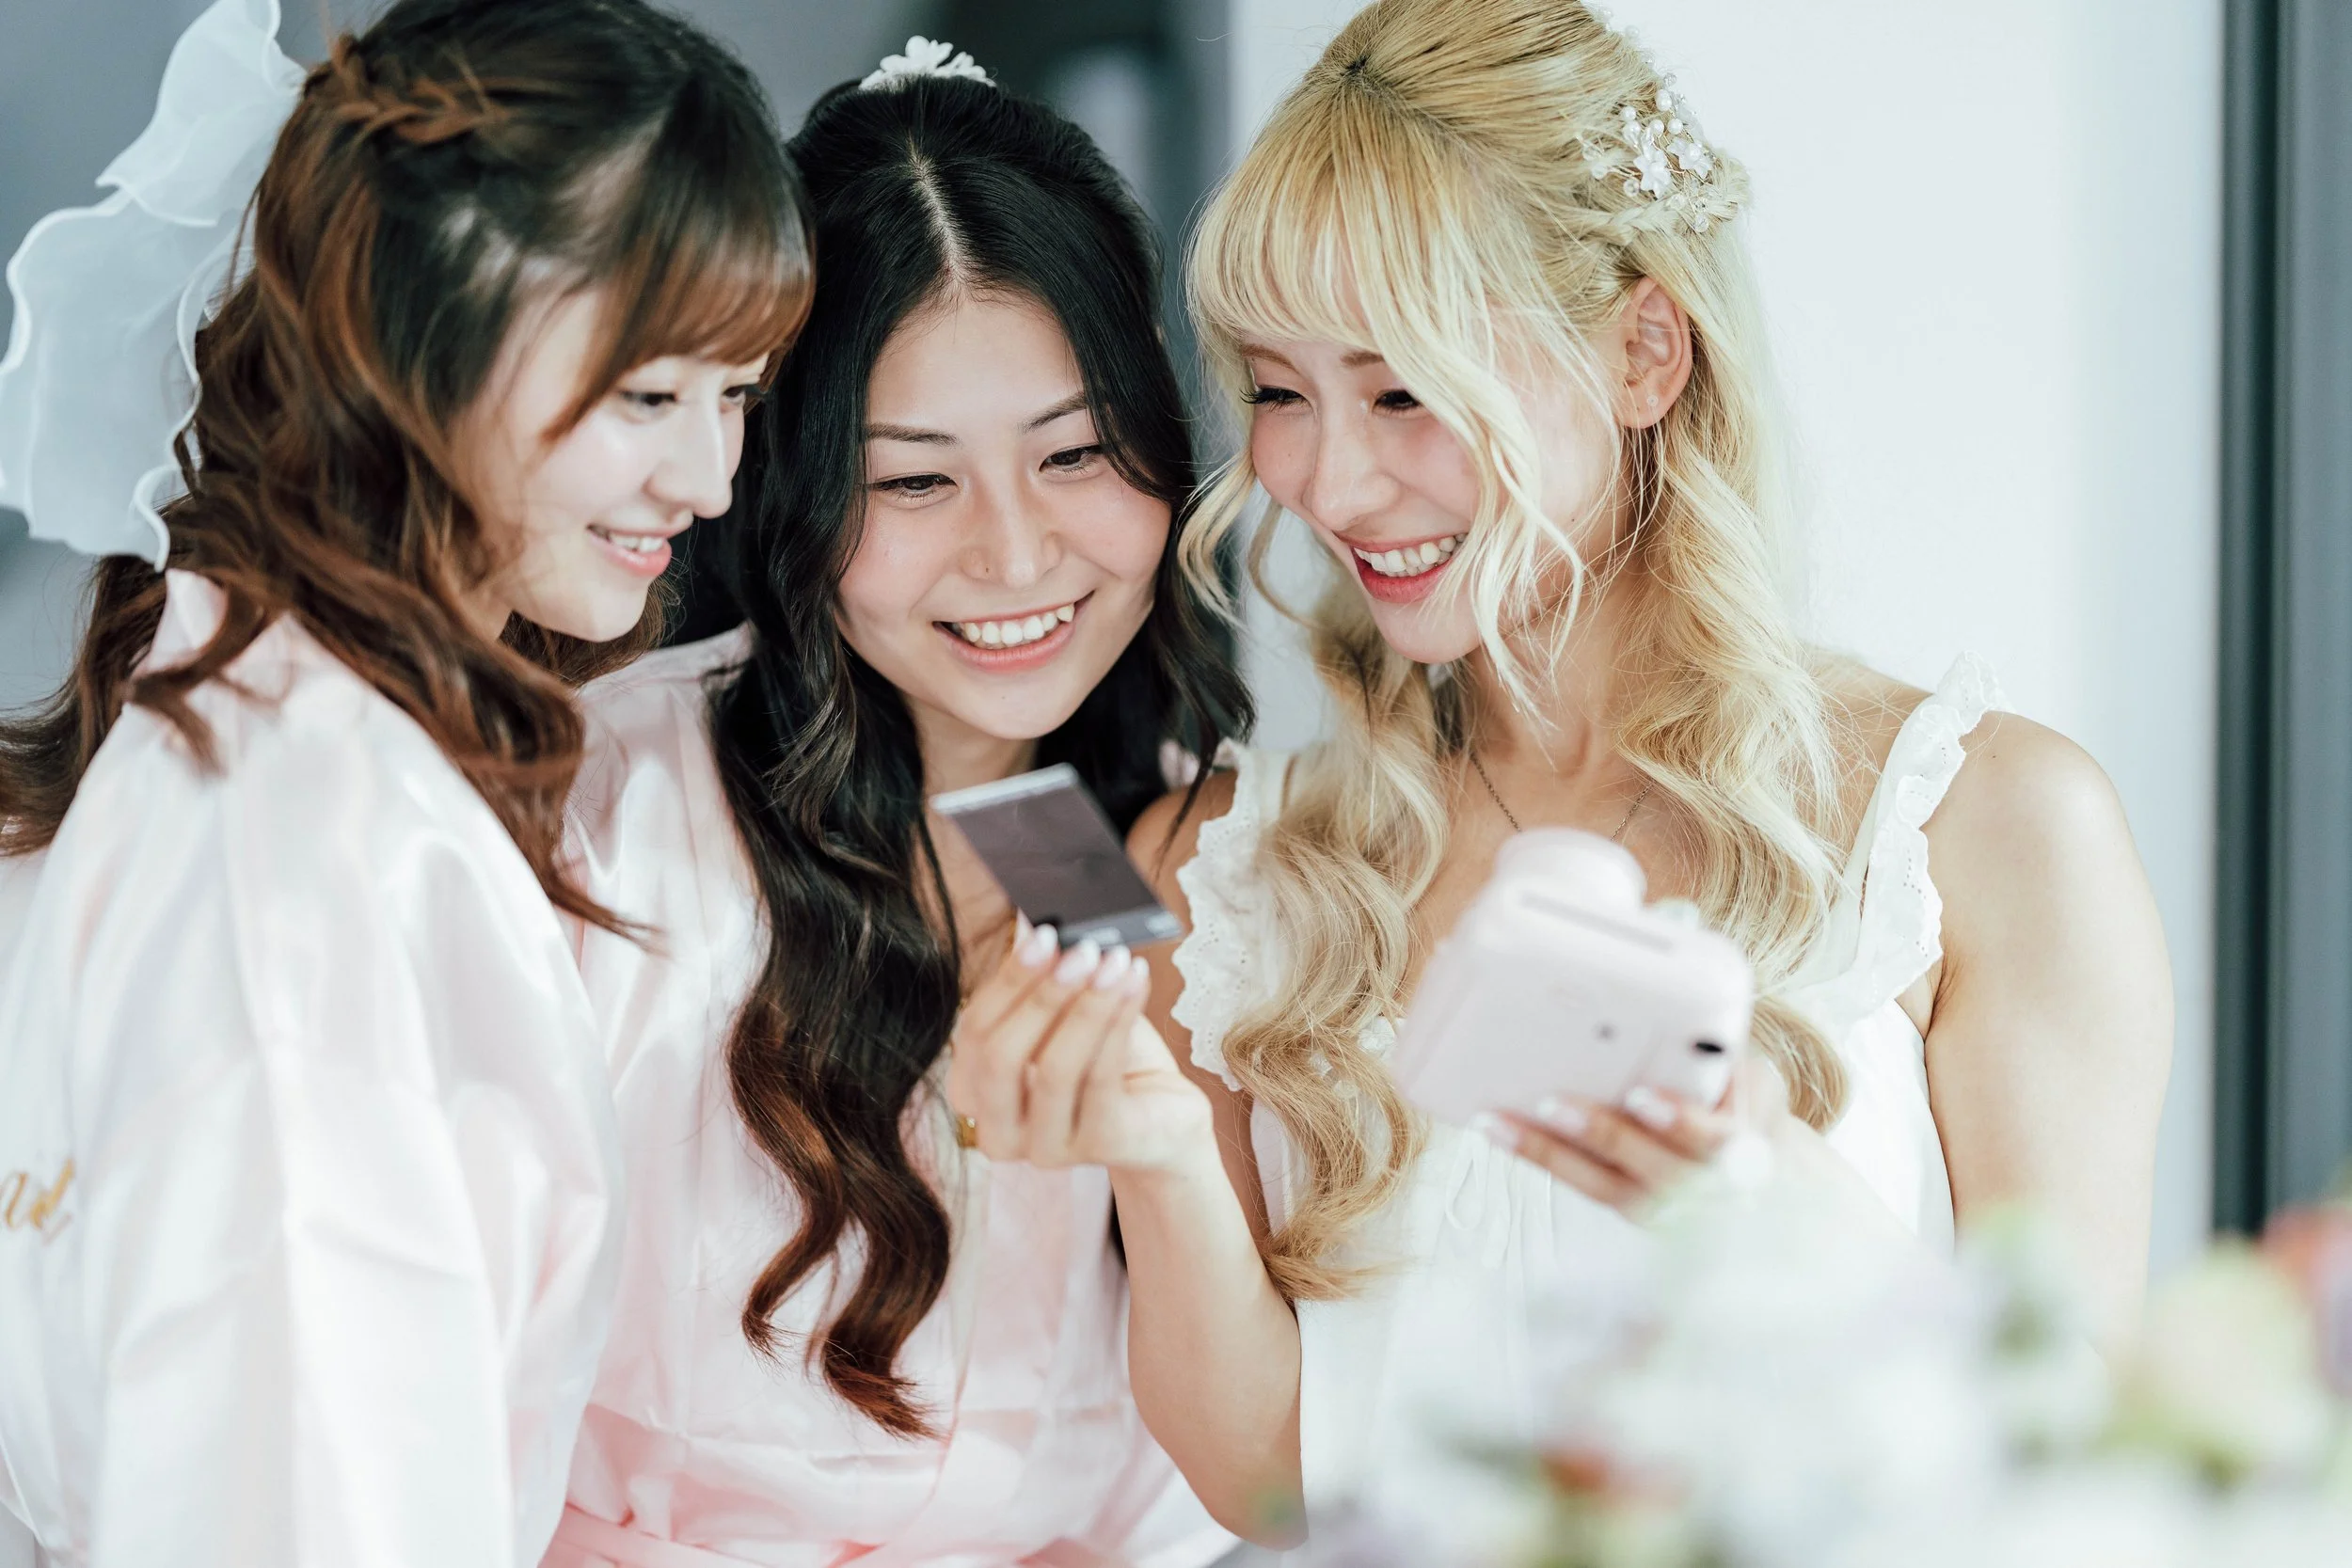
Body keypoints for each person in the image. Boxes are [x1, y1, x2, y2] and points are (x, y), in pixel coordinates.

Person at [943, 0, 2174, 1544]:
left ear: (1645, 350)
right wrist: (1159, 1151)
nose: (1325, 477)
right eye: (1276, 390)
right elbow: (1267, 1478)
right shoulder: (1228, 863)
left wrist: (1769, 1199)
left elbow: (2077, 1475)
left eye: (1403, 390)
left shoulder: (1985, 825)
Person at [0, 1, 808, 1562]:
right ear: (418, 337)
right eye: (651, 396)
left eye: (741, 397)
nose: (708, 480)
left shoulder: (283, 748)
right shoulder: (314, 852)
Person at [548, 43, 1247, 1568]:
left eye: (1073, 453)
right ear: (793, 483)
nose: (1016, 557)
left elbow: (1203, 1467)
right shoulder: (604, 813)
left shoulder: (1170, 845)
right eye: (916, 482)